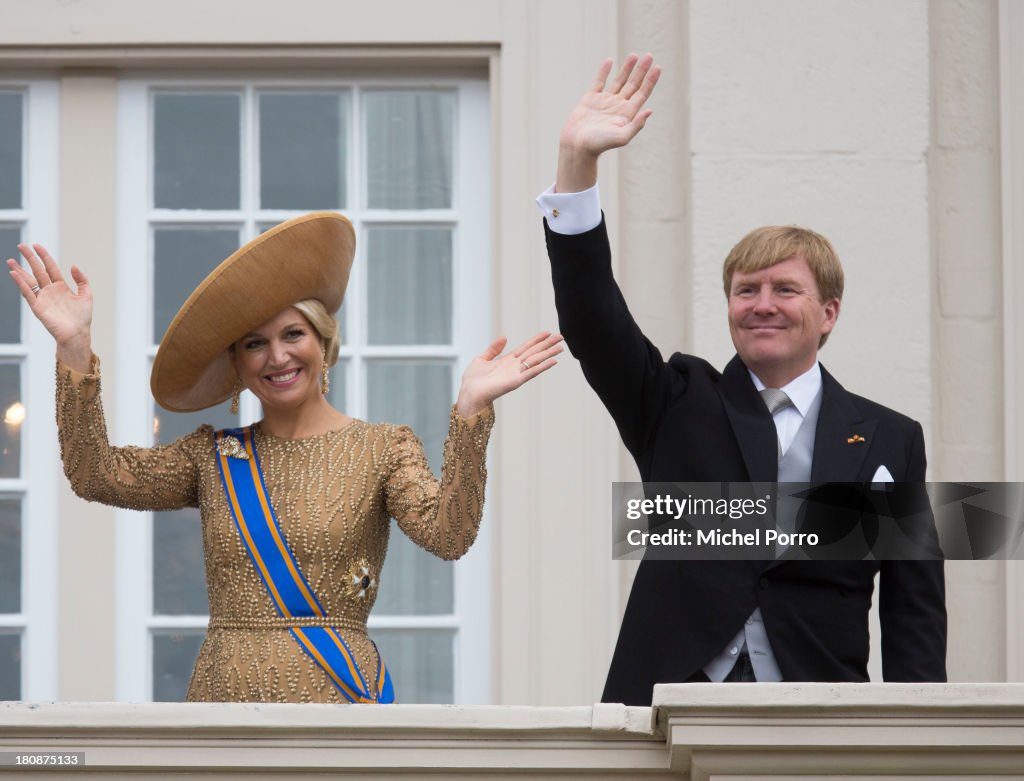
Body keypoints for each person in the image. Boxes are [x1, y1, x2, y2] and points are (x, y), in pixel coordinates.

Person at [6, 211, 563, 704]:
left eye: (293, 334)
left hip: (337, 701)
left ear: (323, 344)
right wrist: (74, 348)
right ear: (237, 365)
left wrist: (469, 414)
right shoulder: (213, 456)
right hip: (223, 706)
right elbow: (95, 474)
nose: (277, 356)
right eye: (254, 343)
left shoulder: (383, 447)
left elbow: (450, 534)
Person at [537, 55, 947, 706]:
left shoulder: (891, 438)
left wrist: (915, 742)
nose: (762, 303)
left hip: (818, 724)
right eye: (745, 289)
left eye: (785, 288)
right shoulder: (674, 400)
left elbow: (913, 611)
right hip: (668, 714)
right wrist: (576, 167)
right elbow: (592, 317)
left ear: (828, 312)